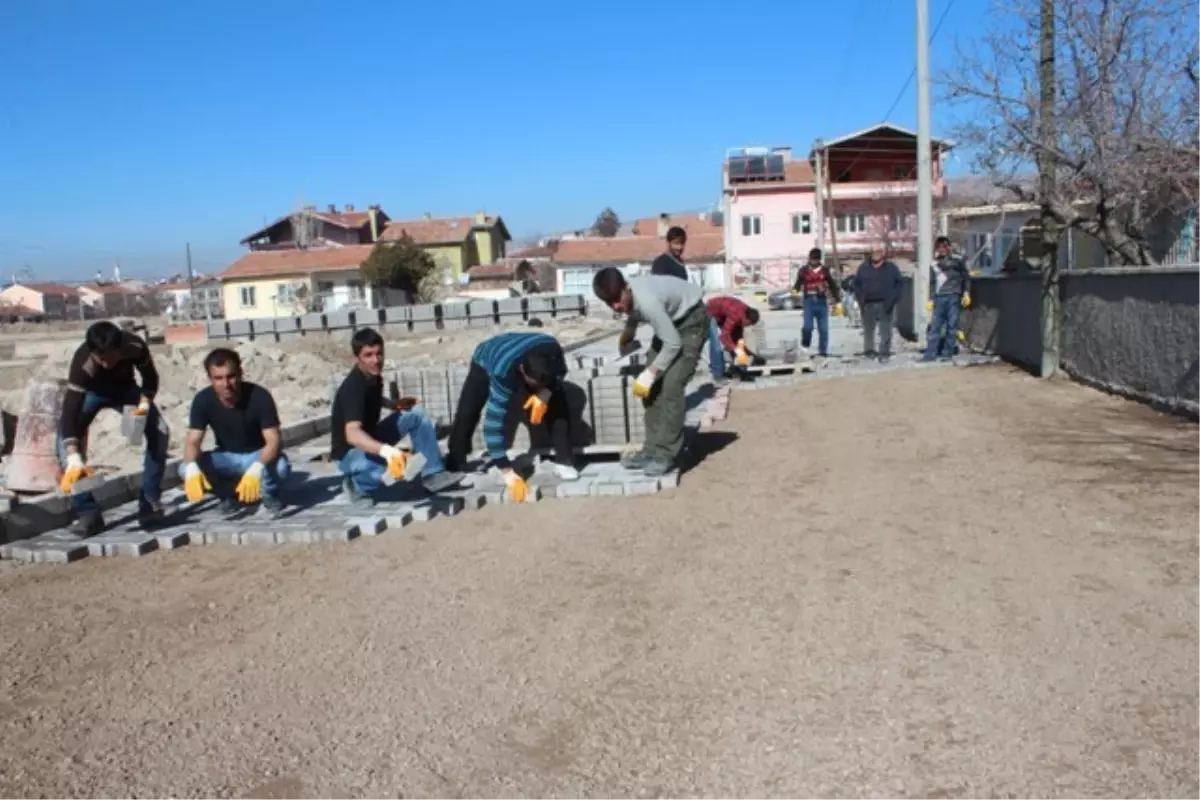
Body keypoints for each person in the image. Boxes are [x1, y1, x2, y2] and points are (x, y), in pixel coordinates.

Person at [331, 328, 463, 509]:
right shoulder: (353, 388)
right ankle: (356, 485)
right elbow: (352, 434)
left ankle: (433, 474)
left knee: (415, 414)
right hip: (348, 453)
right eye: (368, 355)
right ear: (356, 359)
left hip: (370, 439)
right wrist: (388, 452)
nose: (376, 360)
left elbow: (373, 400)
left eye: (379, 354)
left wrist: (395, 405)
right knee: (388, 470)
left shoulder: (372, 377)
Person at [57, 320, 167, 534]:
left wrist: (145, 403)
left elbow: (150, 378)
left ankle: (149, 504)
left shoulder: (134, 346)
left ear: (120, 347)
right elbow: (69, 410)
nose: (107, 363)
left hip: (126, 391)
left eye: (112, 357)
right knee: (64, 445)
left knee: (161, 432)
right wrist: (73, 455)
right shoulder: (83, 363)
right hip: (92, 394)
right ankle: (88, 514)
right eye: (101, 359)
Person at [593, 268, 706, 476]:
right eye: (610, 303)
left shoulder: (648, 301)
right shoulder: (632, 296)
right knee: (651, 390)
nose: (616, 306)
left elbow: (672, 344)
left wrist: (651, 371)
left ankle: (666, 455)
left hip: (691, 322)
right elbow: (634, 311)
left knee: (671, 386)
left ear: (626, 286)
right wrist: (629, 333)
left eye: (617, 299)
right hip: (671, 323)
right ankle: (651, 450)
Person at [445, 331, 578, 502]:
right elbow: (494, 423)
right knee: (468, 409)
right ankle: (455, 459)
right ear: (522, 370)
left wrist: (545, 393)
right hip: (487, 355)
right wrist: (506, 471)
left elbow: (561, 373)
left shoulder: (553, 351)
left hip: (532, 345)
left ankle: (564, 461)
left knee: (558, 404)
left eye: (541, 383)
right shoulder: (502, 373)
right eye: (533, 384)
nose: (535, 388)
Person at [179, 348, 291, 519]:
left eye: (230, 376)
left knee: (281, 467)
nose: (226, 384)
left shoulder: (259, 396)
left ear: (240, 374)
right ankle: (231, 494)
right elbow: (193, 441)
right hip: (226, 456)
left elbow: (274, 440)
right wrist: (192, 467)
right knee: (184, 468)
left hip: (257, 454)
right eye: (218, 378)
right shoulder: (203, 400)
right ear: (210, 379)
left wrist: (257, 467)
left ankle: (269, 494)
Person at [923, 236, 972, 361]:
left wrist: (966, 293)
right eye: (939, 247)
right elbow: (933, 282)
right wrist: (930, 298)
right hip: (939, 297)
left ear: (949, 247)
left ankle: (947, 352)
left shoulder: (958, 261)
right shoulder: (934, 264)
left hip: (953, 296)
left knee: (952, 326)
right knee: (935, 327)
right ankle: (930, 353)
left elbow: (966, 278)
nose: (942, 249)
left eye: (944, 246)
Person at [853, 244, 905, 361]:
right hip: (868, 304)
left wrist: (894, 298)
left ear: (883, 254)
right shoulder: (863, 268)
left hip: (885, 303)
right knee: (868, 330)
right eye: (874, 252)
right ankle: (869, 351)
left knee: (885, 330)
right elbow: (857, 284)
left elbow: (899, 284)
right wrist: (860, 298)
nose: (876, 254)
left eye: (878, 251)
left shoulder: (891, 268)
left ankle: (884, 352)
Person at [792, 248, 842, 357]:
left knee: (823, 329)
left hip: (821, 301)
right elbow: (798, 283)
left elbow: (833, 286)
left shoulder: (824, 270)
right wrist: (795, 291)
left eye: (815, 260)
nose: (813, 262)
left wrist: (837, 301)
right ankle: (805, 345)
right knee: (808, 327)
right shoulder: (803, 270)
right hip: (809, 301)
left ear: (819, 260)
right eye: (811, 259)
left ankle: (823, 352)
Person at [705, 295, 761, 381]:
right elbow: (724, 336)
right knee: (716, 344)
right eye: (748, 324)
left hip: (724, 311)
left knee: (738, 343)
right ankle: (718, 375)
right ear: (746, 319)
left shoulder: (745, 313)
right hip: (710, 310)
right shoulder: (736, 314)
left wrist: (749, 354)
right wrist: (735, 349)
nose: (747, 327)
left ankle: (741, 372)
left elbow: (738, 342)